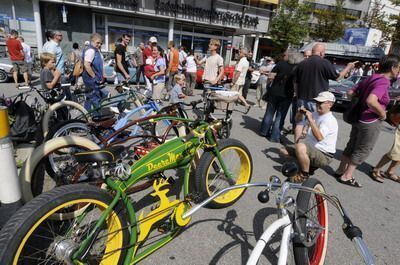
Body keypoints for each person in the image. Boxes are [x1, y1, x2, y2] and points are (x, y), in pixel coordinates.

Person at [335, 54, 400, 188]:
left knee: (352, 144)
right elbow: (371, 100)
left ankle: (341, 169)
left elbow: (350, 93)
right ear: (393, 68)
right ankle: (347, 176)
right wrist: (382, 113)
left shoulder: (371, 77)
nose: (399, 70)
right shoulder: (384, 81)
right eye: (398, 67)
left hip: (358, 117)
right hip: (370, 120)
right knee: (363, 148)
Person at [293, 43, 357, 141]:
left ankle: (297, 145)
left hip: (302, 98)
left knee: (300, 122)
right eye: (324, 52)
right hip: (317, 100)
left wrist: (297, 95)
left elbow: (296, 82)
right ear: (322, 52)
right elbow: (337, 77)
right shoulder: (324, 62)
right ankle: (306, 147)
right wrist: (348, 67)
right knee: (314, 123)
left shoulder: (302, 63)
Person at [280, 91, 338, 182]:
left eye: (320, 103)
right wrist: (300, 113)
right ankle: (305, 165)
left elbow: (320, 137)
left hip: (324, 154)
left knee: (300, 146)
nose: (317, 105)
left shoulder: (329, 120)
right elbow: (297, 120)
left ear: (330, 104)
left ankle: (304, 174)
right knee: (283, 151)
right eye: (317, 102)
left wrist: (311, 120)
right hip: (312, 149)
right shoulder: (315, 113)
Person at [260, 50, 296, 142]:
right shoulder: (296, 67)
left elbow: (270, 77)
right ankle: (274, 136)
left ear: (287, 56)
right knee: (280, 115)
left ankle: (264, 131)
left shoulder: (280, 64)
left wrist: (268, 86)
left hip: (274, 91)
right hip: (287, 94)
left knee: (269, 112)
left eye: (285, 55)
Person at [82, 33, 105, 111]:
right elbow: (87, 65)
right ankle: (97, 117)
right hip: (91, 79)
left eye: (101, 43)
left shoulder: (95, 50)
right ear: (92, 41)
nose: (99, 45)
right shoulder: (91, 50)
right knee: (96, 98)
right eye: (97, 43)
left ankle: (86, 115)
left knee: (89, 98)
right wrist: (94, 77)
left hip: (92, 79)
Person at [231, 47, 251, 113]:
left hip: (237, 80)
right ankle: (246, 104)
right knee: (239, 94)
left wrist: (233, 81)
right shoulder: (247, 62)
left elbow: (238, 72)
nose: (238, 53)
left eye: (240, 52)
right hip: (242, 80)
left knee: (232, 94)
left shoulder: (241, 61)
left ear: (243, 53)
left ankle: (229, 107)